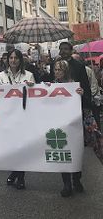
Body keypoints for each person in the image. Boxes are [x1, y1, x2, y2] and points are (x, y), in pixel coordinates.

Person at [0, 49, 35, 190]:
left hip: (23, 115)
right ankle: (14, 172)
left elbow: (35, 96)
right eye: (10, 58)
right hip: (7, 116)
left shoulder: (29, 75)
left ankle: (21, 177)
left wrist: (32, 87)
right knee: (12, 147)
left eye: (16, 58)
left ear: (20, 60)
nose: (13, 60)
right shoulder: (1, 75)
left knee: (21, 147)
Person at [52, 60, 85, 197]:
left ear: (66, 71)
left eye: (60, 69)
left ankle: (76, 179)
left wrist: (81, 94)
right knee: (63, 154)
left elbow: (84, 102)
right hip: (59, 124)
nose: (57, 72)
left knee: (75, 152)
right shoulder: (51, 85)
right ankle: (67, 184)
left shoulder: (74, 85)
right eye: (56, 69)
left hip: (73, 124)